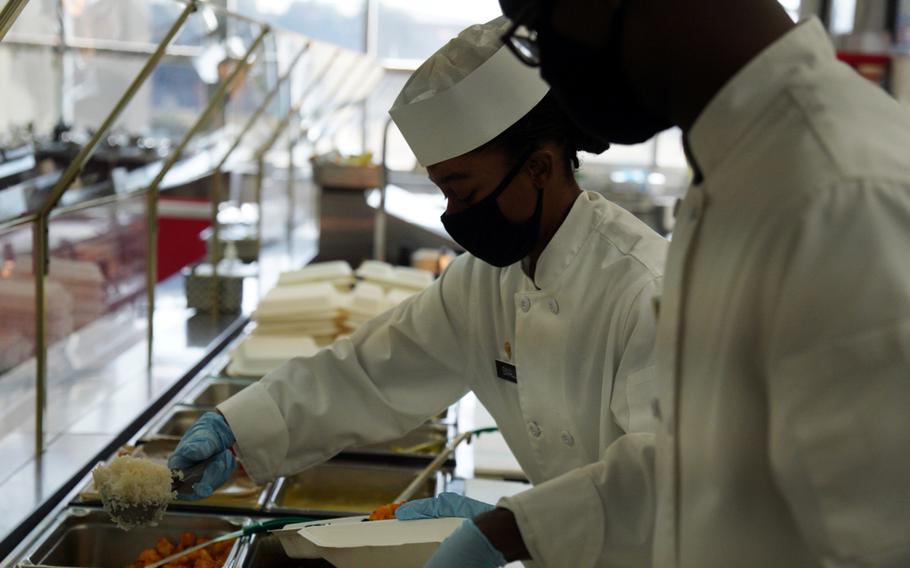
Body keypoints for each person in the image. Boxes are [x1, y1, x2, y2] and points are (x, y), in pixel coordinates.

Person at [168, 16, 668, 568]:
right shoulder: (485, 281)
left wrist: (507, 527)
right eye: (442, 192)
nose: (454, 216)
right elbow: (371, 370)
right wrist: (239, 429)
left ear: (540, 168)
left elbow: (661, 480)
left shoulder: (647, 292)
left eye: (463, 191)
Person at [497, 0, 910, 566]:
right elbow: (714, 467)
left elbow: (885, 543)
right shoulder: (741, 169)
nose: (548, 65)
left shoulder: (836, 193)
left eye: (542, 25)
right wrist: (517, 528)